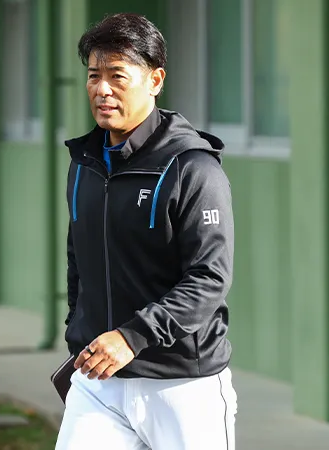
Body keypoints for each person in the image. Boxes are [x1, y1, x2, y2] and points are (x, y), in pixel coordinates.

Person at [56, 12, 237, 450]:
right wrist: (79, 326)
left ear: (155, 80)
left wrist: (131, 337)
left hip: (182, 386)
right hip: (98, 382)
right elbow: (78, 256)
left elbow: (209, 279)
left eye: (117, 75)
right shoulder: (84, 164)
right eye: (94, 75)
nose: (102, 89)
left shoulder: (193, 168)